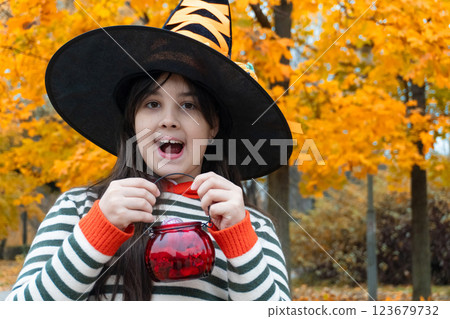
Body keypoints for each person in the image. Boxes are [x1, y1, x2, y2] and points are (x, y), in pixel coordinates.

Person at [6, 0, 293, 301]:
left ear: (213, 126)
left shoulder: (251, 226)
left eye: (189, 105)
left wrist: (239, 240)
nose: (168, 120)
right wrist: (98, 229)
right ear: (132, 120)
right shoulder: (79, 208)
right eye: (152, 104)